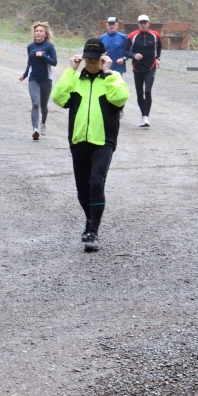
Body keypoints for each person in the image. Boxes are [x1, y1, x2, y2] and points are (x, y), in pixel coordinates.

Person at [52, 38, 128, 252]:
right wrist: (70, 71)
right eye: (88, 59)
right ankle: (89, 220)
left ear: (103, 58)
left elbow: (120, 99)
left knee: (96, 183)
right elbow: (58, 98)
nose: (92, 63)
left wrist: (107, 73)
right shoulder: (76, 79)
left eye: (96, 59)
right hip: (78, 141)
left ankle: (93, 231)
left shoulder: (113, 78)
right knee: (82, 192)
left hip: (103, 142)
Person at [19, 21, 57, 140]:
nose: (38, 33)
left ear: (45, 34)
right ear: (34, 33)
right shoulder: (30, 47)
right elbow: (30, 62)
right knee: (35, 103)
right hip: (33, 79)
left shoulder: (49, 47)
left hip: (46, 79)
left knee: (44, 106)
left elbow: (54, 62)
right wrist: (24, 75)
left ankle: (43, 123)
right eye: (36, 31)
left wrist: (43, 56)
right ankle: (35, 129)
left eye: (41, 31)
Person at [124, 14, 161, 127]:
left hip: (151, 67)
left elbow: (159, 46)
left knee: (148, 91)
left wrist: (157, 58)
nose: (143, 24)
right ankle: (142, 115)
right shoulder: (132, 36)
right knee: (140, 93)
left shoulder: (155, 35)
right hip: (137, 68)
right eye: (141, 23)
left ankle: (146, 117)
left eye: (145, 22)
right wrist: (134, 55)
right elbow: (125, 51)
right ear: (138, 24)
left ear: (148, 23)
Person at [99, 16, 128, 118]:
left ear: (117, 25)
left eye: (113, 24)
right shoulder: (102, 38)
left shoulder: (123, 37)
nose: (111, 26)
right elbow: (99, 52)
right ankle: (106, 108)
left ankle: (119, 109)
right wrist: (102, 55)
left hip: (118, 68)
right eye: (109, 24)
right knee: (104, 87)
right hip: (105, 67)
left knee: (118, 89)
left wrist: (123, 58)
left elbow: (129, 51)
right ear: (107, 26)